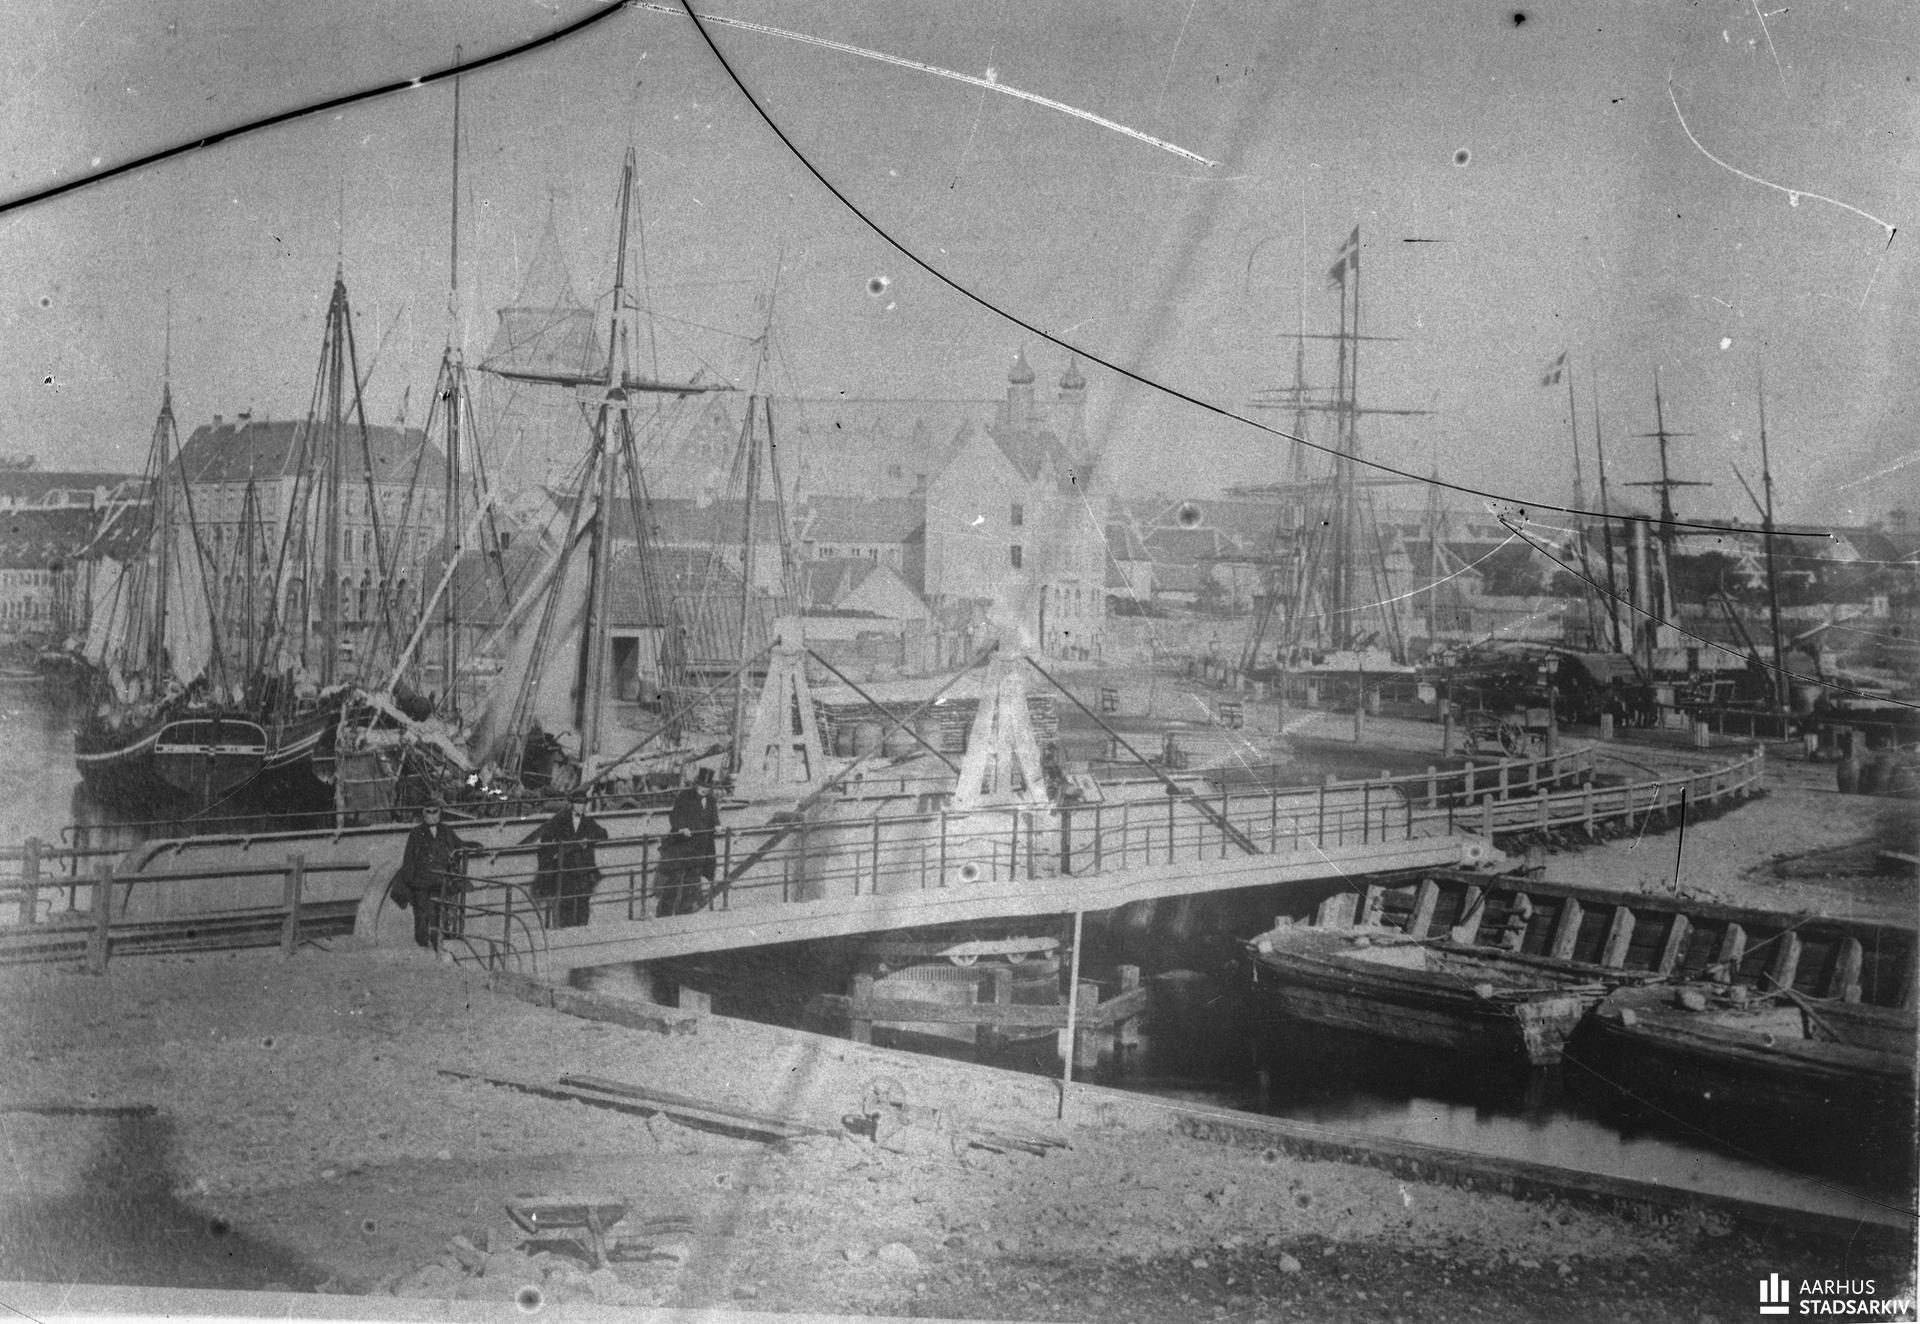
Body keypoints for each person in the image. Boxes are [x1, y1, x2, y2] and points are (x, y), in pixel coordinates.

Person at [389, 799, 475, 951]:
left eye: (435, 812)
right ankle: (422, 944)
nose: (432, 815)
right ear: (423, 814)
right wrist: (410, 883)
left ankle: (438, 944)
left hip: (440, 881)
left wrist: (475, 845)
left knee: (439, 913)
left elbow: (459, 844)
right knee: (422, 915)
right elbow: (409, 859)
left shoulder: (446, 831)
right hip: (422, 883)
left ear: (440, 813)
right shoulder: (416, 833)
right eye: (428, 812)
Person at [524, 789, 608, 929]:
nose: (580, 806)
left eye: (582, 804)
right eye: (577, 803)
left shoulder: (588, 822)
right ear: (572, 804)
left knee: (583, 900)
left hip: (583, 868)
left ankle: (582, 928)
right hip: (566, 867)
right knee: (565, 900)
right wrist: (556, 851)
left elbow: (603, 833)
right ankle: (565, 928)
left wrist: (588, 839)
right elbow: (546, 838)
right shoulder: (561, 820)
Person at [658, 767, 721, 917]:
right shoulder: (685, 796)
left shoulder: (711, 800)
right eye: (702, 786)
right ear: (697, 784)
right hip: (682, 846)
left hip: (700, 847)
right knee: (674, 880)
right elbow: (675, 815)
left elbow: (714, 816)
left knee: (692, 881)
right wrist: (681, 827)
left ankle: (684, 912)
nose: (704, 789)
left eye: (707, 787)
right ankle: (664, 913)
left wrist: (717, 825)